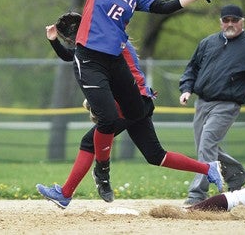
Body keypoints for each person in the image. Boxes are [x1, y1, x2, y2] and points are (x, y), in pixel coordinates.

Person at [36, 0, 222, 207]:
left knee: (138, 118)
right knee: (108, 120)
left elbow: (166, 5)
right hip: (90, 57)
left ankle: (206, 169)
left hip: (112, 63)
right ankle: (99, 174)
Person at [36, 23, 224, 208]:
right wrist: (54, 41)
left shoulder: (105, 44)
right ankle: (209, 169)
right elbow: (74, 56)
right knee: (156, 155)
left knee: (89, 142)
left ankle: (67, 193)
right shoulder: (109, 40)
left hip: (132, 102)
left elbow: (80, 58)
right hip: (139, 101)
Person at [179, 4, 245, 205]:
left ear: (243, 21)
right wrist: (186, 88)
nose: (230, 24)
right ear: (220, 22)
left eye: (234, 20)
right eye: (226, 20)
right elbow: (192, 69)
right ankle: (237, 174)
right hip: (202, 102)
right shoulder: (208, 43)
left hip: (227, 105)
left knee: (207, 142)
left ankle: (197, 194)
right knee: (205, 147)